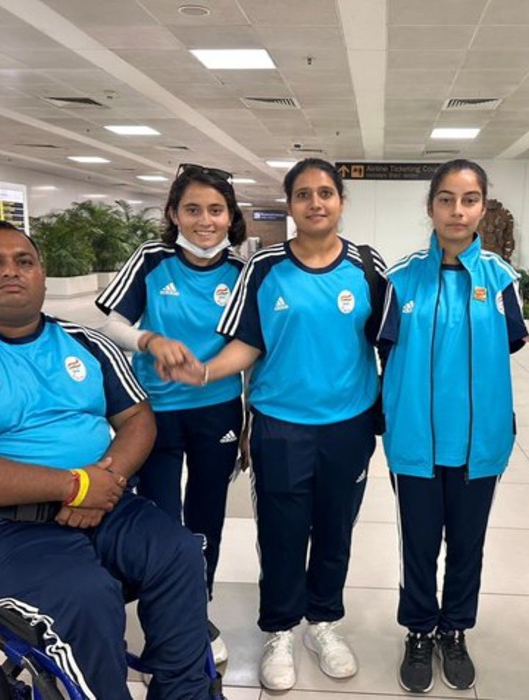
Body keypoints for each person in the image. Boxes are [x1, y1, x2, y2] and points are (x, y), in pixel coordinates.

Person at [0, 221, 212, 700]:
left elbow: (138, 418)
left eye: (24, 261)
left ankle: (187, 692)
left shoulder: (87, 343)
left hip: (107, 504)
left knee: (179, 552)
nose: (11, 271)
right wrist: (73, 487)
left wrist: (104, 481)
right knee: (86, 597)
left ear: (43, 276)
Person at [168, 158, 387, 691]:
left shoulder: (366, 265)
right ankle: (281, 629)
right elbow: (247, 343)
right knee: (283, 532)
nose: (316, 203)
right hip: (280, 426)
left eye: (326, 193)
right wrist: (205, 371)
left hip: (349, 424)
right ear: (289, 205)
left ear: (340, 202)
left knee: (335, 529)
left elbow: (388, 341)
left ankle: (324, 622)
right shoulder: (263, 267)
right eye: (304, 194)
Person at [380, 159, 529, 693]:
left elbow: (509, 345)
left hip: (478, 442)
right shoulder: (398, 282)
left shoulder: (503, 282)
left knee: (468, 544)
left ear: (482, 208)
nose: (457, 210)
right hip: (415, 440)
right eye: (446, 199)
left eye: (469, 200)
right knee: (418, 544)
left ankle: (456, 629)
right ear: (430, 207)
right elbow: (382, 352)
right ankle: (419, 631)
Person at [96, 163, 247, 665]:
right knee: (160, 517)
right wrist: (149, 340)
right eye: (192, 209)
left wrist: (248, 420)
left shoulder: (244, 272)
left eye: (215, 210)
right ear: (173, 214)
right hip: (154, 411)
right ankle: (162, 609)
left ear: (230, 217)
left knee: (207, 515)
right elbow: (113, 322)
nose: (204, 221)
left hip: (218, 409)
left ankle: (195, 607)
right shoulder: (152, 259)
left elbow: (253, 346)